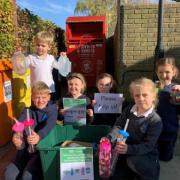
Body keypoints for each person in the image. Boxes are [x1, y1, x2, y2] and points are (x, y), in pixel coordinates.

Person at [105, 78, 162, 180]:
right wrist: (109, 138)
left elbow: (148, 146)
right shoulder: (129, 110)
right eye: (137, 95)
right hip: (124, 151)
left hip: (145, 155)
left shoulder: (155, 120)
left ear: (153, 96)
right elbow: (118, 126)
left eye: (145, 95)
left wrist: (129, 149)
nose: (140, 98)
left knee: (133, 161)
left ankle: (147, 173)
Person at [5, 81, 57, 180]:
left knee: (27, 177)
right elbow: (19, 124)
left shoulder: (52, 110)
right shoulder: (27, 111)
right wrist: (17, 136)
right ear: (32, 97)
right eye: (37, 97)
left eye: (44, 97)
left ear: (49, 97)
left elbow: (49, 125)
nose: (40, 100)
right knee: (9, 175)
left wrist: (39, 136)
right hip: (25, 150)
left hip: (40, 152)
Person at [156, 57, 180, 161]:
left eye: (167, 72)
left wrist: (178, 97)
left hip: (169, 129)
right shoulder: (152, 87)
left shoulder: (177, 89)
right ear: (157, 72)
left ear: (174, 72)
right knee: (153, 156)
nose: (163, 75)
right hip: (153, 130)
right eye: (160, 72)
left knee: (165, 158)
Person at [25, 31, 59, 101]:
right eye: (38, 45)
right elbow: (21, 67)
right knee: (36, 109)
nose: (40, 47)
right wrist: (19, 58)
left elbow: (61, 68)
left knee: (49, 108)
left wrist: (63, 58)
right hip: (36, 90)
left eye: (43, 46)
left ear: (49, 47)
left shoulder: (51, 58)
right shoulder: (30, 58)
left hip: (49, 89)